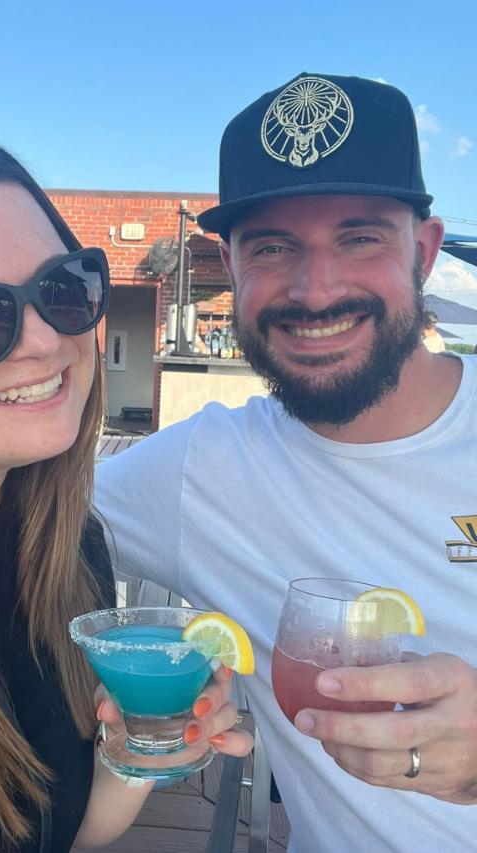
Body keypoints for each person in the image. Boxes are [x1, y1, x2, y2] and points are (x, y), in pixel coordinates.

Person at [0, 130, 251, 853]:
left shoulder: (69, 544)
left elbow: (66, 836)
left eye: (62, 290)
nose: (41, 340)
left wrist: (136, 748)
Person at [96, 73, 477, 852]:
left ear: (424, 253)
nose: (315, 288)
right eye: (273, 247)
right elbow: (5, 500)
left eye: (360, 236)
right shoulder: (205, 467)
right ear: (232, 269)